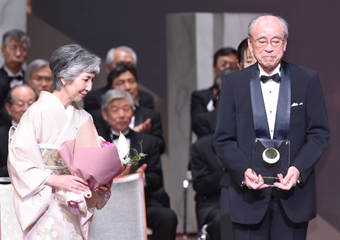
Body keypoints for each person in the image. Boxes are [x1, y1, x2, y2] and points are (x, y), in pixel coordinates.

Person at [213, 15, 330, 240]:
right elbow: (223, 139)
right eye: (261, 41)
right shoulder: (232, 83)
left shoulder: (307, 79)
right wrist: (244, 172)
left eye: (275, 41)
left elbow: (318, 133)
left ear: (285, 44)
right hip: (248, 195)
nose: (268, 48)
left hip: (293, 195)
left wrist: (297, 171)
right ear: (250, 43)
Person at [7, 44, 113, 239]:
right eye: (86, 79)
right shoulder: (36, 113)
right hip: (45, 201)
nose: (89, 87)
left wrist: (99, 182)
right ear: (64, 78)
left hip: (75, 203)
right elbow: (18, 161)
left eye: (92, 80)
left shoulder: (84, 118)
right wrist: (57, 180)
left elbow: (91, 165)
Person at [98, 89, 177, 240]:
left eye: (126, 109)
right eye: (115, 110)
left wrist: (141, 178)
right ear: (104, 114)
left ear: (133, 112)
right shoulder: (95, 140)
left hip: (141, 203)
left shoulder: (148, 142)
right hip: (104, 202)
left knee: (167, 217)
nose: (121, 114)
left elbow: (156, 179)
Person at [88, 64, 165, 154]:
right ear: (111, 88)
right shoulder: (97, 117)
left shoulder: (151, 115)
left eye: (131, 81)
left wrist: (138, 137)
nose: (128, 87)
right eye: (121, 83)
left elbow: (160, 147)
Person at [84, 46, 154, 111]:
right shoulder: (94, 98)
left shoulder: (145, 99)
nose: (125, 69)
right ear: (108, 68)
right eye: (120, 64)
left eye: (129, 65)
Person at [191, 47, 237, 135]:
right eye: (223, 64)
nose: (227, 67)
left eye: (232, 64)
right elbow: (198, 125)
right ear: (214, 67)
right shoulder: (200, 96)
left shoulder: (246, 94)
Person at [191, 133, 227, 240]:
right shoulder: (201, 146)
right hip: (214, 203)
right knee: (222, 220)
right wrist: (228, 171)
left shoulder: (251, 140)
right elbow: (200, 184)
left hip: (247, 199)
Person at [0, 85, 36, 177]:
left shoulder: (47, 133)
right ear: (8, 108)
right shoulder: (1, 135)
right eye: (20, 104)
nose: (26, 109)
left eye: (31, 104)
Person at [0, 29, 30, 109]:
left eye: (22, 49)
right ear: (3, 51)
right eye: (13, 48)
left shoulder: (30, 80)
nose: (18, 54)